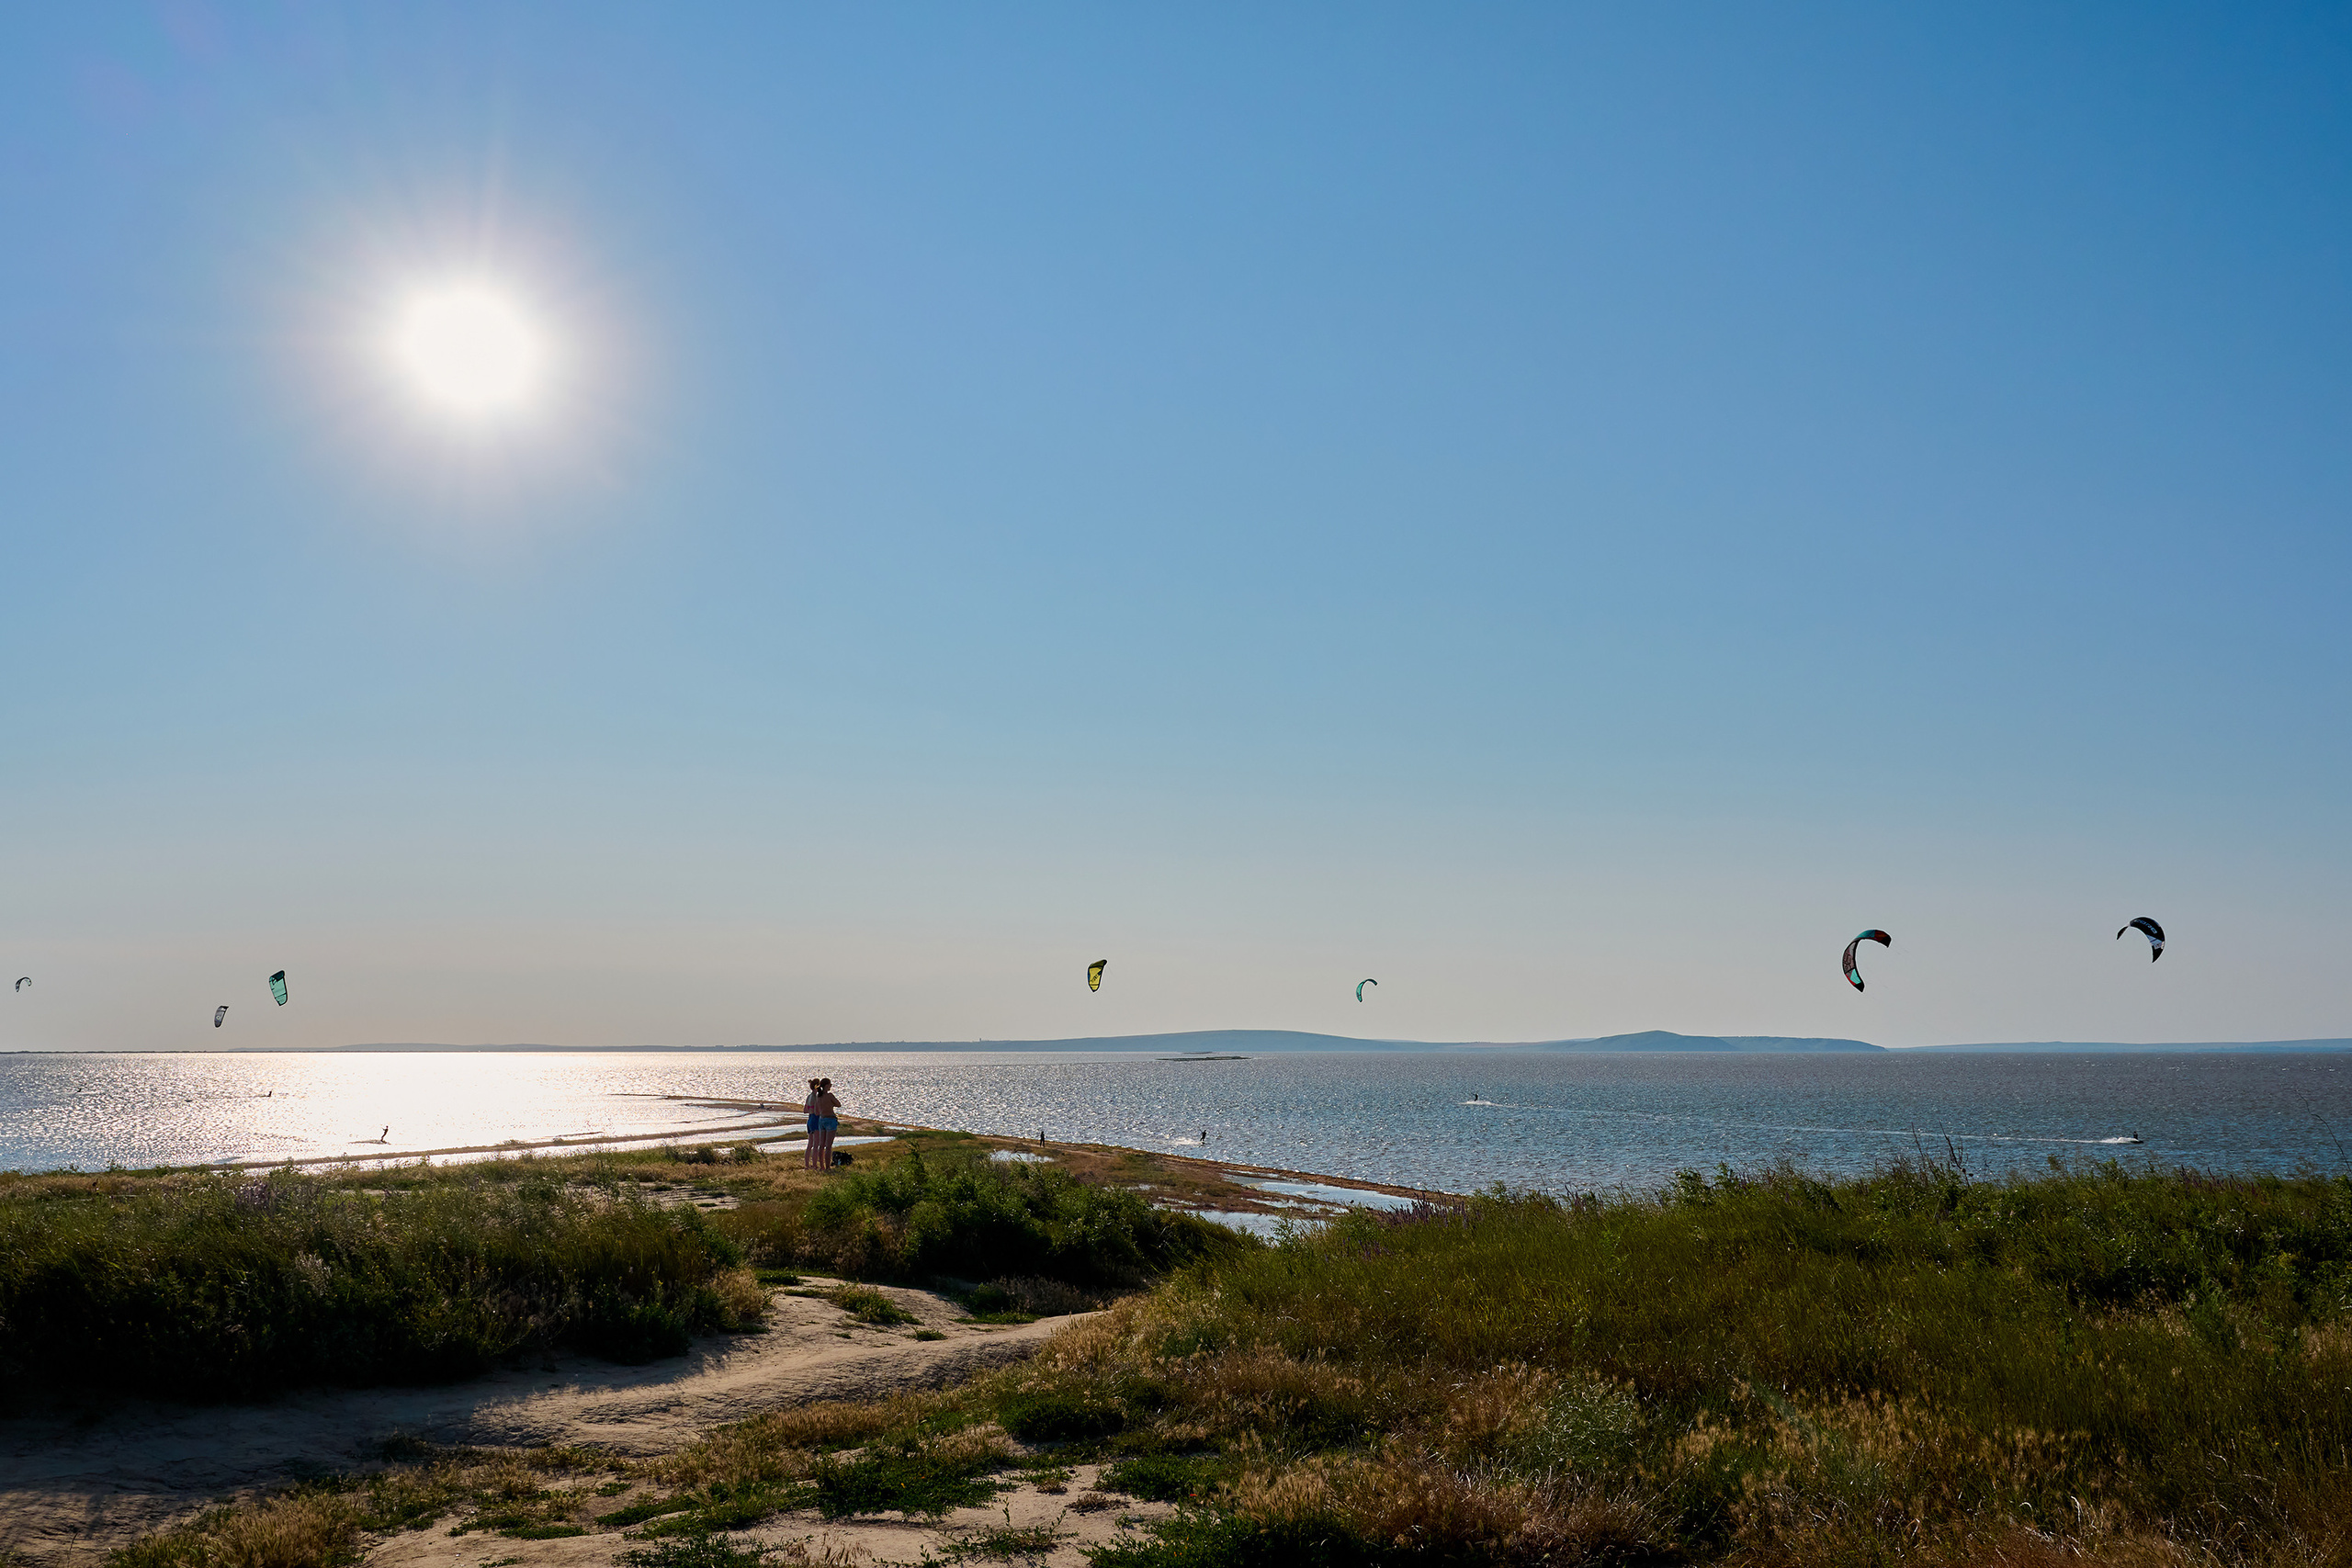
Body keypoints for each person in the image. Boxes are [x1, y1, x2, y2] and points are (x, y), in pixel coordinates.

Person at [811, 1078, 842, 1169]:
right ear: (826, 1086)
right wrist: (831, 1104)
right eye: (830, 1084)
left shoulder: (818, 1096)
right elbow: (838, 1104)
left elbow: (817, 1111)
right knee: (828, 1146)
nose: (831, 1086)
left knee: (821, 1145)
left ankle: (822, 1166)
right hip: (830, 1119)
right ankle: (828, 1167)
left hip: (821, 1119)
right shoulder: (830, 1096)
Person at [801, 1079, 821, 1170]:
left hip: (810, 1120)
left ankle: (807, 1164)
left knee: (810, 1144)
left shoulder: (809, 1097)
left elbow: (805, 1110)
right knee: (816, 1144)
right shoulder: (816, 1097)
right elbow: (816, 1111)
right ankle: (814, 1164)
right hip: (815, 1120)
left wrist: (811, 1110)